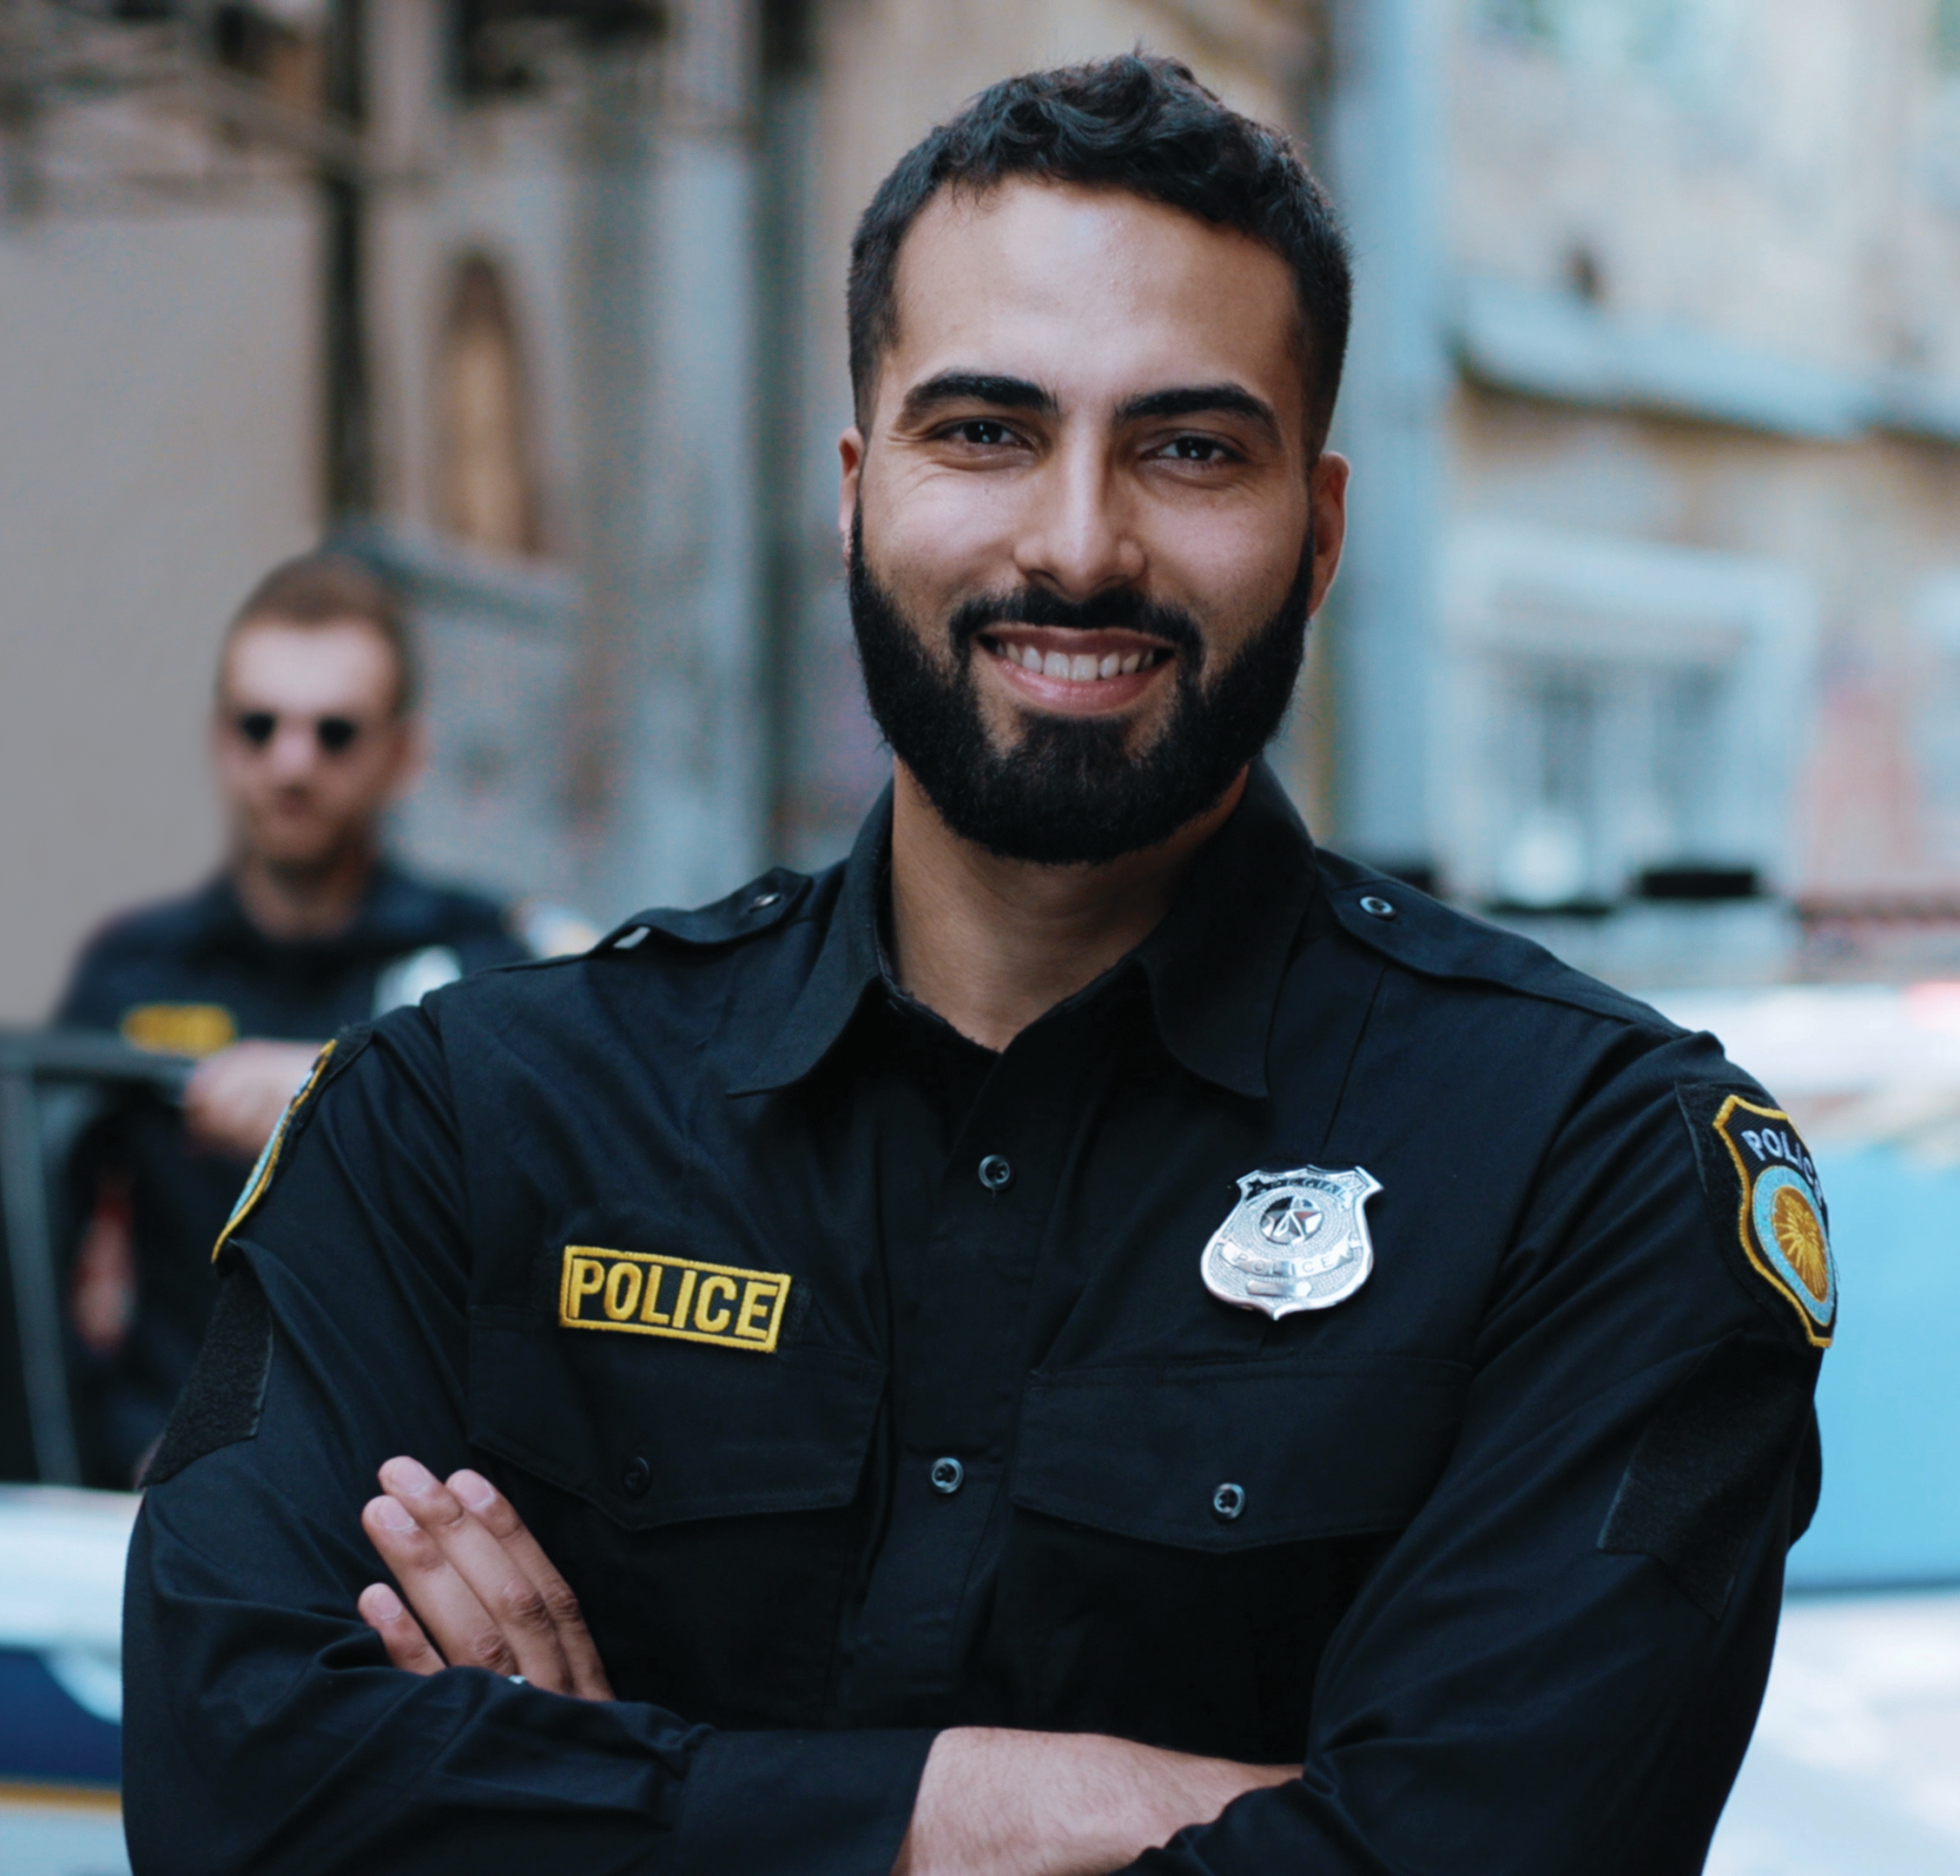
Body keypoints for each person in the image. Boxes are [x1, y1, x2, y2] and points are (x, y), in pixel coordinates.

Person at [122, 57, 1831, 1876]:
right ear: (857, 492)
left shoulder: (1595, 1169)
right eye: (984, 432)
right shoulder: (459, 1127)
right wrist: (1003, 1809)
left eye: (1188, 448)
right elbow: (242, 1788)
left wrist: (600, 1788)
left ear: (1319, 529)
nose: (1078, 544)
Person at [56, 553, 531, 1485]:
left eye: (336, 732)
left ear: (405, 754)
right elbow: (30, 1252)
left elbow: (544, 1208)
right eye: (260, 724)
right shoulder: (134, 972)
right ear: (220, 739)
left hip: (402, 1498)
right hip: (157, 1489)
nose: (291, 761)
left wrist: (339, 1095)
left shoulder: (482, 965)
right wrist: (113, 1447)